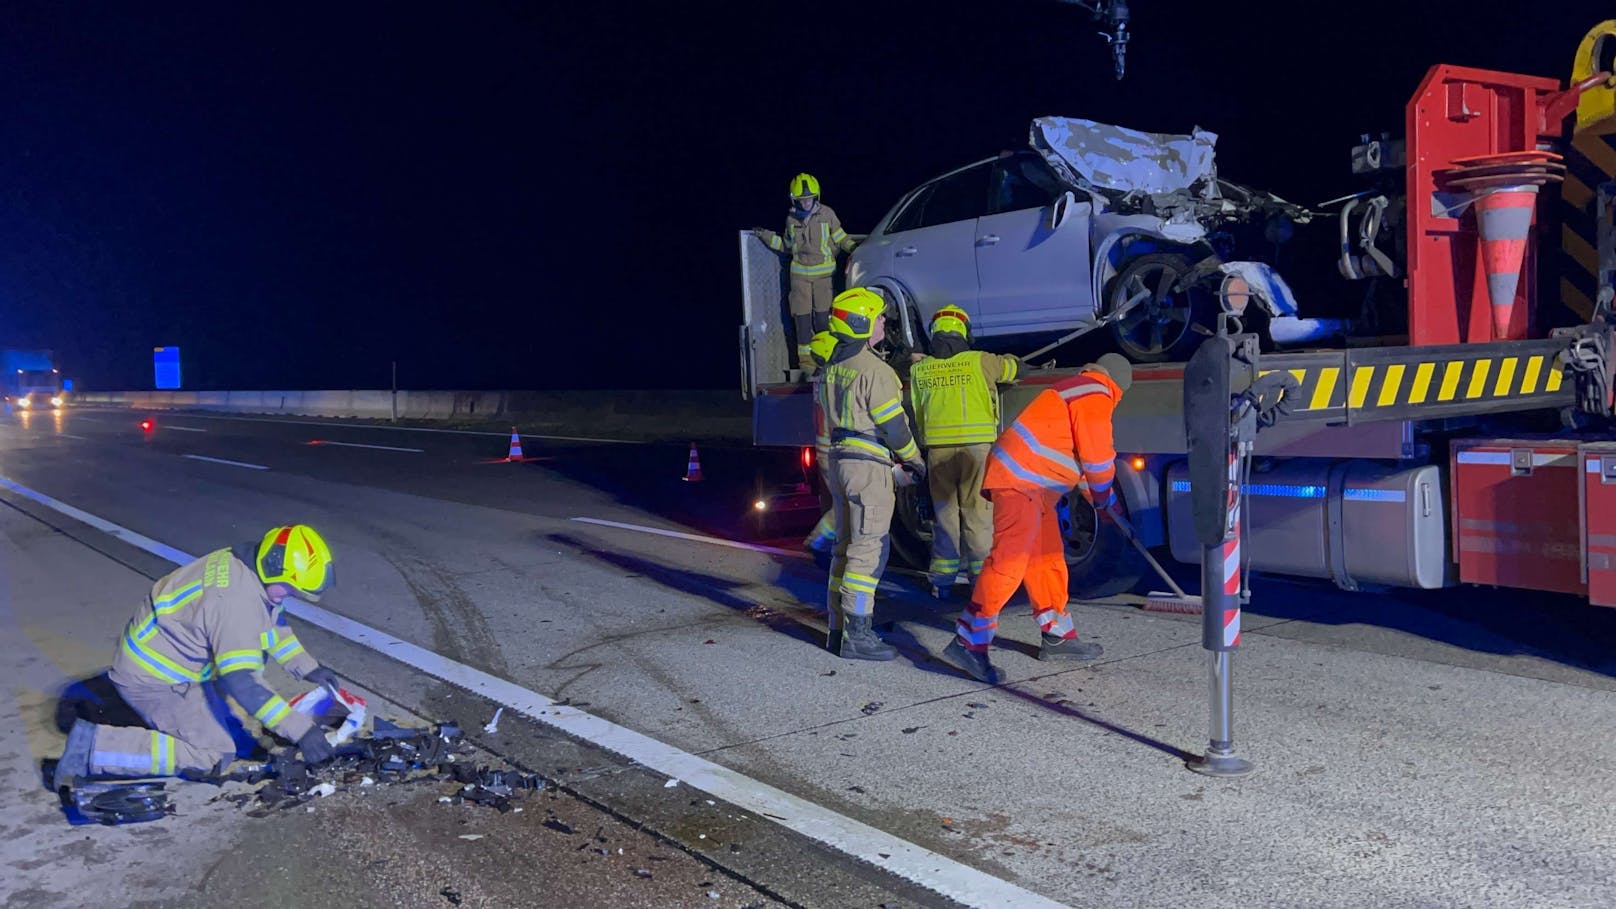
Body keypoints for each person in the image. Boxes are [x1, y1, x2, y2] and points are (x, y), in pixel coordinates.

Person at [53, 524, 341, 792]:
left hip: (169, 658)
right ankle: (93, 747)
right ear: (274, 570)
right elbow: (245, 684)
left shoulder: (245, 567)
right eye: (291, 589)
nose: (291, 596)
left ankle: (201, 716)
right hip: (156, 679)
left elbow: (270, 623)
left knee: (234, 719)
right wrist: (302, 731)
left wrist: (307, 667)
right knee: (214, 753)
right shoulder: (234, 603)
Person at [939, 353, 1133, 683]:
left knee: (1046, 558)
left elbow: (1082, 467)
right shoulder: (1095, 392)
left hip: (1032, 483)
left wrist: (1108, 505)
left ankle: (1056, 635)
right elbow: (1099, 461)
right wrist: (1104, 500)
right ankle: (968, 642)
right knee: (1009, 561)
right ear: (1118, 385)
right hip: (1021, 481)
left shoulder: (1075, 390)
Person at [819, 287, 926, 660]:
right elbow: (894, 428)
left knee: (844, 548)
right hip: (868, 467)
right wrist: (915, 461)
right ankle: (858, 636)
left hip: (840, 463)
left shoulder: (833, 367)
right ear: (864, 322)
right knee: (868, 551)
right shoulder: (875, 371)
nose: (883, 322)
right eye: (879, 316)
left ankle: (838, 627)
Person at [908, 305, 1019, 600]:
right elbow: (1014, 369)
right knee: (978, 516)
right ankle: (982, 583)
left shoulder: (920, 368)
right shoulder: (979, 361)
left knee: (945, 517)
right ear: (964, 332)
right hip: (976, 453)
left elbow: (918, 411)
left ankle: (941, 581)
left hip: (937, 453)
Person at [753, 173, 858, 372]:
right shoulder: (791, 219)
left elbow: (841, 237)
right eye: (801, 200)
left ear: (816, 197)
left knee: (821, 319)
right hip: (799, 276)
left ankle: (826, 357)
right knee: (801, 320)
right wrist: (765, 236)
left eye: (809, 199)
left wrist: (855, 249)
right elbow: (786, 245)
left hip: (823, 277)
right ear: (795, 200)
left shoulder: (827, 215)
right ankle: (806, 363)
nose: (805, 203)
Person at [802, 330, 840, 567]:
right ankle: (818, 540)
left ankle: (832, 546)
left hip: (825, 448)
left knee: (836, 502)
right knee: (846, 504)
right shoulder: (833, 378)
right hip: (834, 450)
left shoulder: (822, 377)